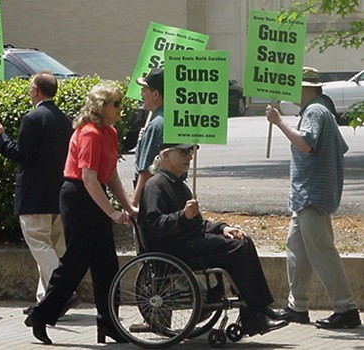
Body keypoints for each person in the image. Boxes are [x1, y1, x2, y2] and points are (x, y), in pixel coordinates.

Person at [24, 83, 137, 345]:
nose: (120, 108)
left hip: (93, 195)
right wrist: (110, 212)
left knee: (107, 265)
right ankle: (41, 315)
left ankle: (109, 324)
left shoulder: (109, 132)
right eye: (116, 104)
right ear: (102, 106)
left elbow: (110, 176)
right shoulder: (89, 133)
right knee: (75, 262)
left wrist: (128, 206)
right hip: (78, 196)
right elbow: (88, 177)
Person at [138, 143, 289, 336]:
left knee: (243, 240)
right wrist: (183, 216)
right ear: (166, 155)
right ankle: (253, 316)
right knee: (236, 249)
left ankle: (258, 308)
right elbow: (154, 226)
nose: (189, 157)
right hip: (173, 251)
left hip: (190, 242)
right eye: (184, 152)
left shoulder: (179, 185)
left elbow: (198, 224)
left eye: (191, 152)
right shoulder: (155, 185)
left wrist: (223, 228)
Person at [266, 67, 361, 329]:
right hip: (307, 195)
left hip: (311, 194)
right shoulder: (323, 112)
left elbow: (306, 143)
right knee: (297, 251)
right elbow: (340, 146)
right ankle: (297, 307)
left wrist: (278, 122)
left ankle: (346, 308)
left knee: (321, 252)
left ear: (307, 87)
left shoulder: (315, 111)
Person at [0, 70, 80, 316]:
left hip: (35, 195)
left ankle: (63, 292)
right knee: (53, 247)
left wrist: (0, 138)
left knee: (40, 244)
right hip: (58, 194)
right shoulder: (65, 119)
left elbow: (22, 155)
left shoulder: (33, 118)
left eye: (31, 87)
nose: (30, 91)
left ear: (36, 90)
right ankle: (47, 301)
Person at [131, 68, 164, 207]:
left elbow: (146, 171)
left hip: (151, 196)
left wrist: (133, 203)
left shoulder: (156, 125)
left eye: (144, 89)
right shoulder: (171, 118)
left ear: (155, 94)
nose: (141, 93)